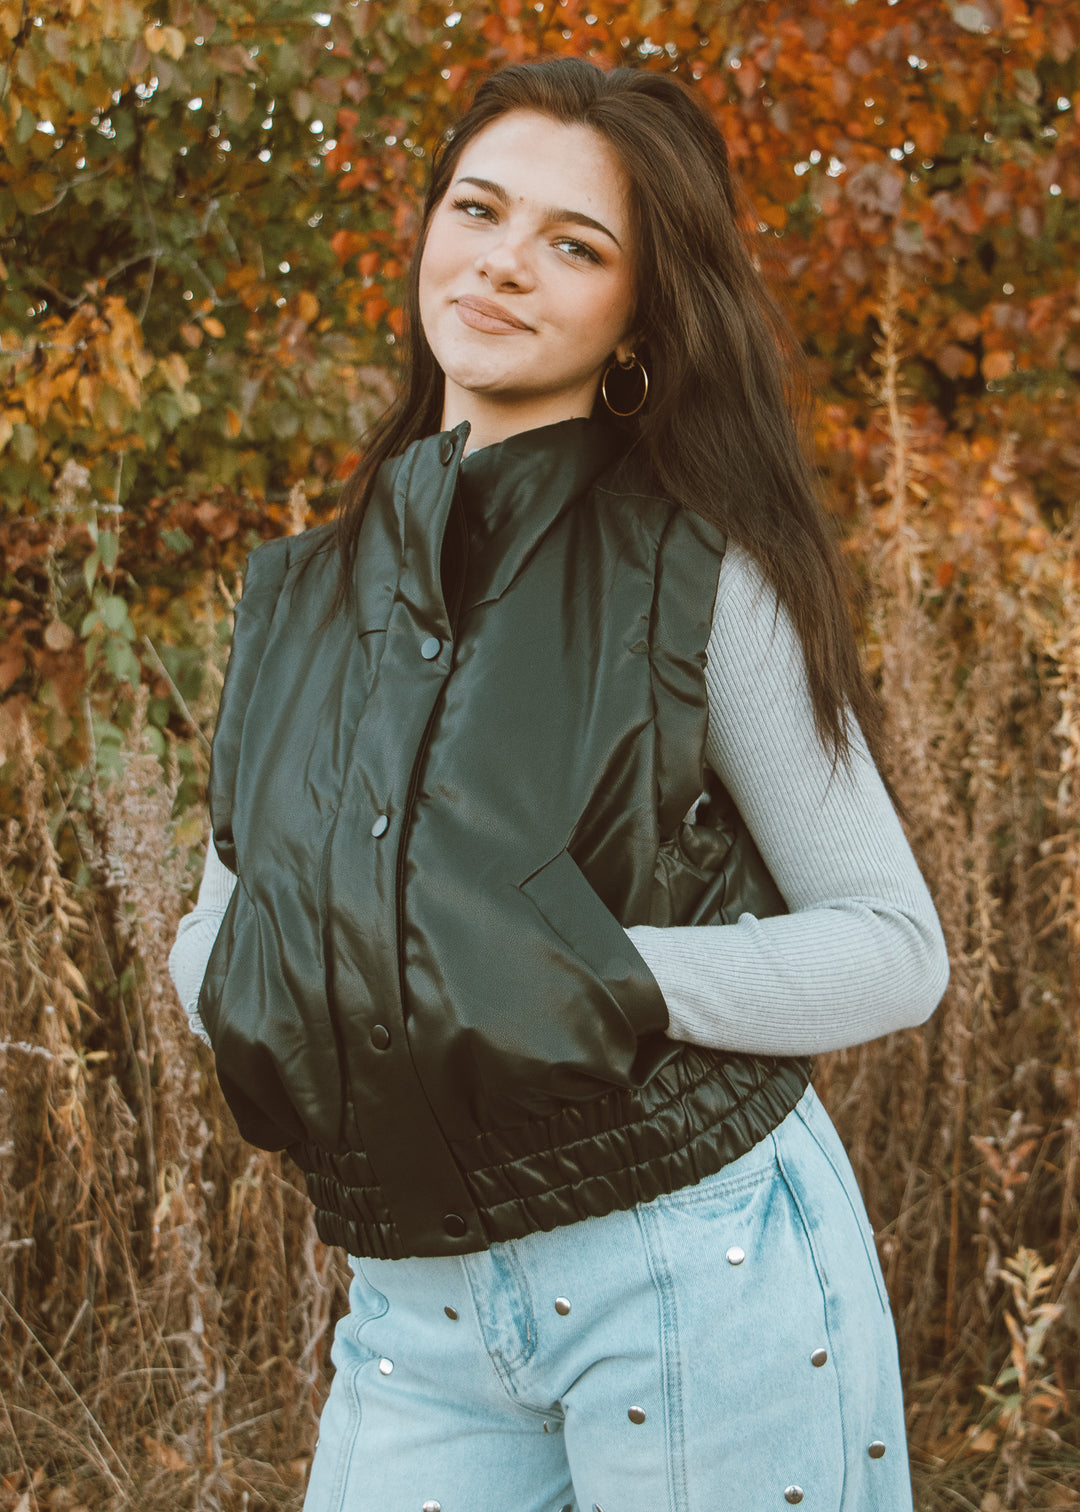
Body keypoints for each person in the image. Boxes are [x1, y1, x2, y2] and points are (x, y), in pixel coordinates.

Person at [170, 56, 949, 1512]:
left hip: (695, 1276)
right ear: (428, 229)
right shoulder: (300, 597)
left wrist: (603, 979)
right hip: (415, 1315)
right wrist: (256, 987)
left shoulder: (700, 578)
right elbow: (221, 924)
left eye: (574, 245)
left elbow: (897, 951)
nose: (505, 263)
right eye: (479, 208)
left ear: (637, 319)